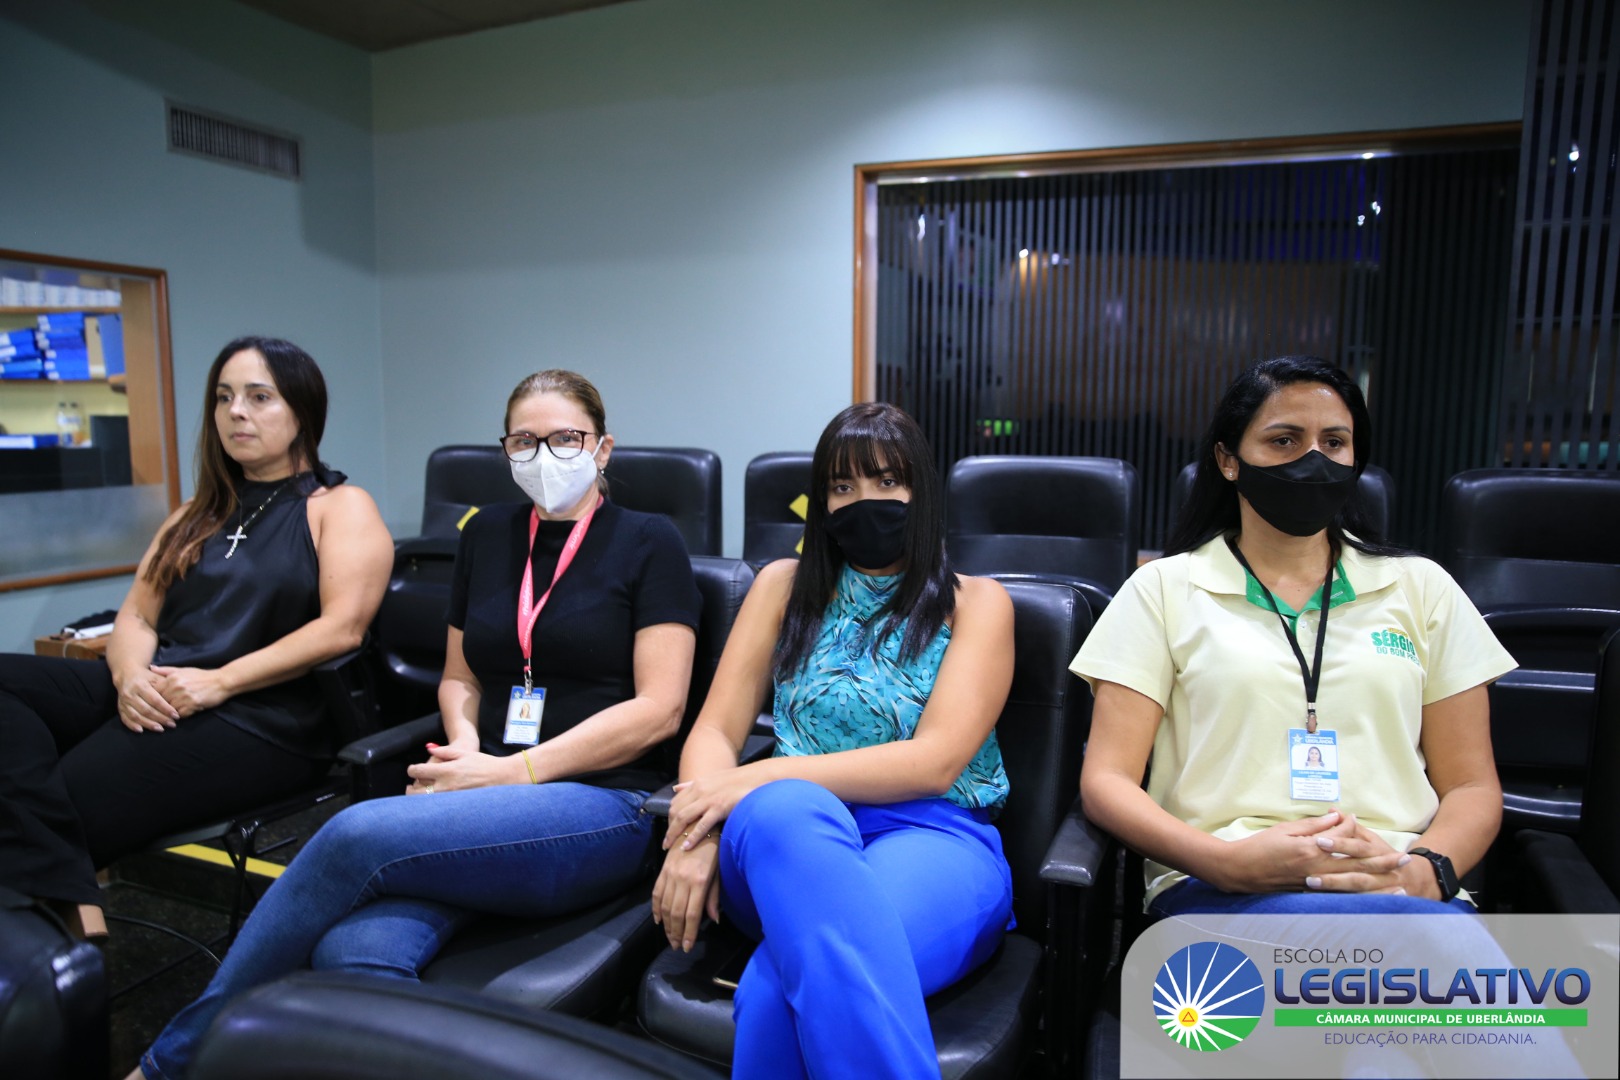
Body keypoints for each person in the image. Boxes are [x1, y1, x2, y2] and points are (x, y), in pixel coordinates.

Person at [131, 369, 700, 1080]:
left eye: (565, 439)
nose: (545, 456)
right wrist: (464, 748)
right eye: (524, 441)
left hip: (602, 803)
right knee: (353, 953)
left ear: (603, 448)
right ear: (505, 450)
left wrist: (511, 772)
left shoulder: (650, 541)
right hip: (485, 788)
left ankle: (169, 1063)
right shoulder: (488, 534)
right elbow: (461, 676)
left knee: (354, 834)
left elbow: (658, 710)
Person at [1072, 356, 1515, 918]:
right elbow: (1107, 781)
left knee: (1461, 969)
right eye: (1284, 440)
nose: (1313, 459)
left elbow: (1472, 786)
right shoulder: (1163, 588)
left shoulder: (1421, 587)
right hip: (1220, 885)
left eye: (1334, 442)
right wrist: (1222, 863)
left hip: (1394, 884)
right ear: (1228, 461)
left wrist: (1427, 873)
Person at [654, 402, 1015, 1079]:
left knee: (772, 997)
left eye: (887, 481)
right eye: (842, 486)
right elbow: (715, 730)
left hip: (933, 836)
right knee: (787, 808)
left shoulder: (977, 602)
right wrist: (697, 833)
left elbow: (936, 763)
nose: (863, 501)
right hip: (785, 845)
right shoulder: (780, 587)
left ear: (923, 492)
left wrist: (755, 778)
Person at [0, 336, 392, 940]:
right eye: (224, 397)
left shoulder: (339, 506)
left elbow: (342, 628)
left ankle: (52, 923)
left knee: (64, 793)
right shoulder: (194, 513)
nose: (236, 412)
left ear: (302, 411)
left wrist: (218, 682)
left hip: (263, 716)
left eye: (259, 397)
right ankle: (71, 893)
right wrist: (130, 678)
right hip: (165, 685)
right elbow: (136, 618)